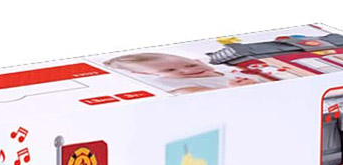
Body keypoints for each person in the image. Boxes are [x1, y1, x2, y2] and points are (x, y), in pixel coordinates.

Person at [104, 52, 264, 94]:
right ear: (151, 75)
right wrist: (230, 90)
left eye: (190, 65)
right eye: (170, 70)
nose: (187, 70)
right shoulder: (172, 83)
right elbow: (186, 93)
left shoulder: (224, 70)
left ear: (199, 61)